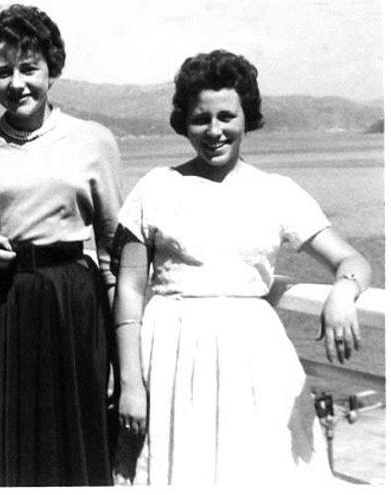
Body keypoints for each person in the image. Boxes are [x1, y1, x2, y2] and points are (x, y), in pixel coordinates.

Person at [112, 49, 372, 486]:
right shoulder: (156, 187)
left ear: (246, 118)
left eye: (227, 117)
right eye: (201, 119)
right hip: (172, 358)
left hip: (253, 362)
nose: (214, 131)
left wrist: (343, 293)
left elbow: (352, 260)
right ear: (185, 122)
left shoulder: (277, 192)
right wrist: (131, 386)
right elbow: (129, 292)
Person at [0, 4, 123, 486]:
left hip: (73, 303)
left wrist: (122, 356)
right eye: (2, 72)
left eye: (29, 68)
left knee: (74, 438)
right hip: (1, 305)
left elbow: (113, 254)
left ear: (52, 69)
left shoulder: (94, 141)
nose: (17, 83)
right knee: (4, 437)